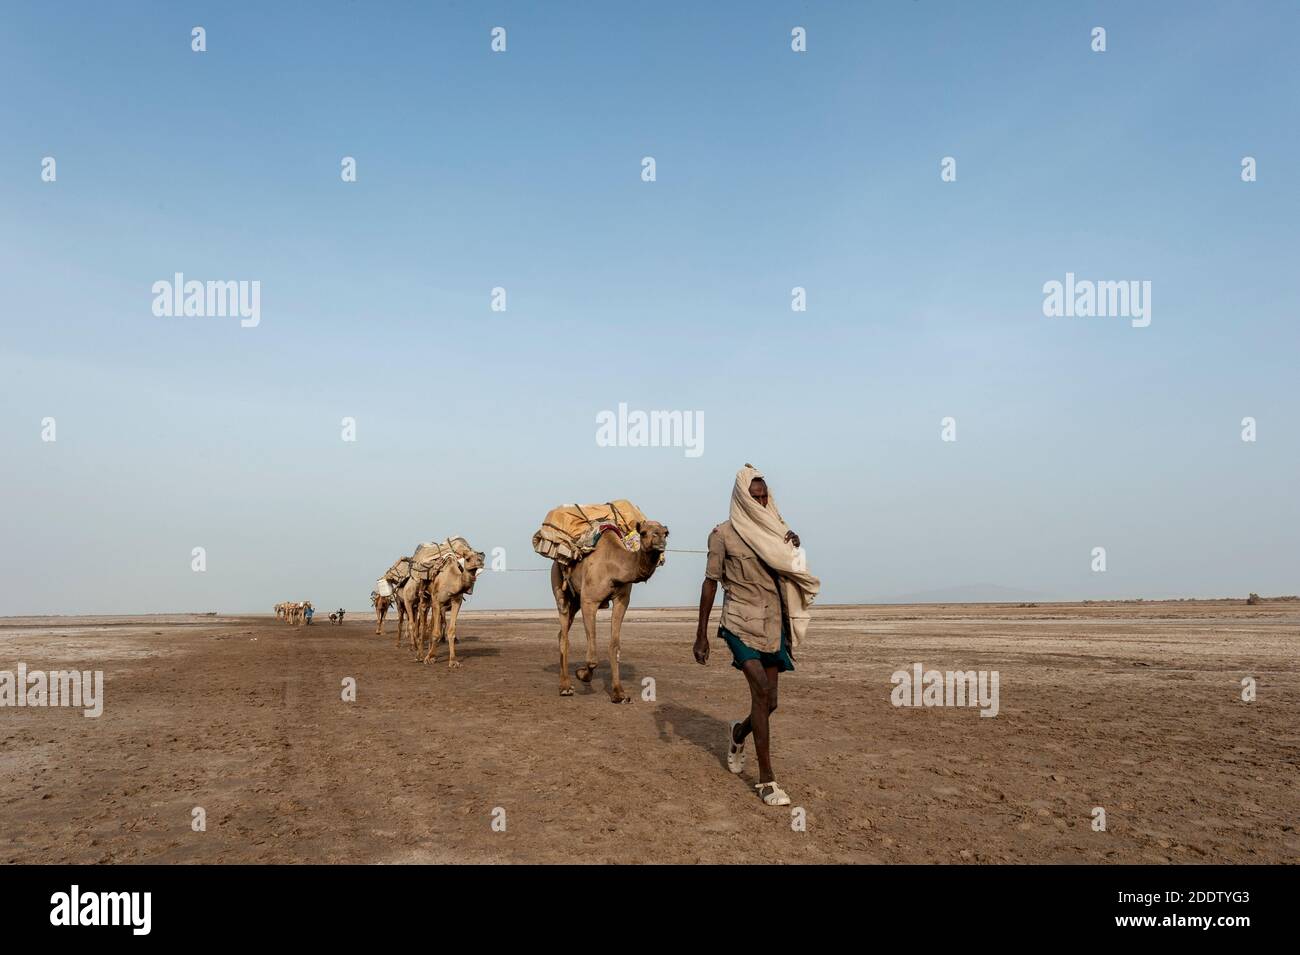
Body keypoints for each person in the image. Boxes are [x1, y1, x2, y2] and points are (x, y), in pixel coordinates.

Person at [693, 464, 820, 806]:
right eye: (755, 496)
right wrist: (701, 634)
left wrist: (793, 547)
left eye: (765, 495)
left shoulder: (776, 530)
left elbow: (788, 567)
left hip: (772, 624)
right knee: (761, 691)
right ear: (741, 498)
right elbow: (709, 582)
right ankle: (767, 781)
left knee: (771, 701)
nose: (761, 501)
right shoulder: (722, 534)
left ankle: (738, 733)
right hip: (738, 622)